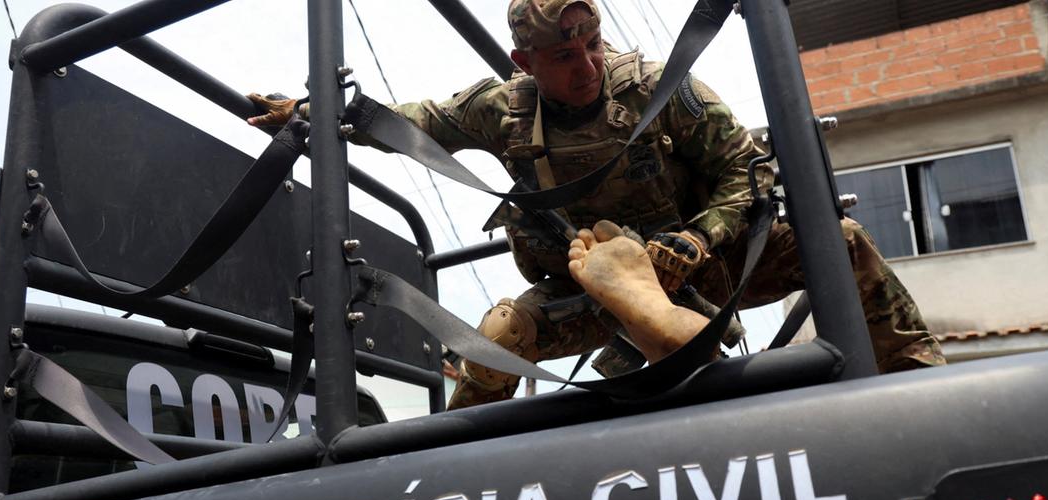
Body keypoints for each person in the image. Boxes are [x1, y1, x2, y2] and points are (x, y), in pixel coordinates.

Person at [249, 0, 945, 411]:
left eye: (592, 45)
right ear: (525, 63)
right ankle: (451, 464)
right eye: (563, 57)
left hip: (704, 264)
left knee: (841, 240)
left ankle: (922, 391)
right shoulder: (502, 111)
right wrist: (317, 114)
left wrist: (702, 238)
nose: (585, 67)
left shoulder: (659, 90)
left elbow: (745, 168)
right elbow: (415, 122)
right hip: (592, 289)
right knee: (498, 336)